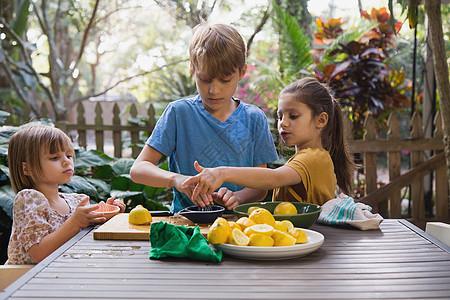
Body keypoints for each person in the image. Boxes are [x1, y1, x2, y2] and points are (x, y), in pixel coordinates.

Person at [130, 22, 278, 212]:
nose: (214, 90)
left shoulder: (255, 118)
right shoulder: (178, 113)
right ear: (193, 70)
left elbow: (261, 184)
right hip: (186, 226)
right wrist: (177, 179)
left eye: (225, 80)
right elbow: (139, 169)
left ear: (242, 72)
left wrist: (238, 197)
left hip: (239, 228)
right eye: (205, 79)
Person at [183, 77, 355, 206]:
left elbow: (273, 178)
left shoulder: (313, 158)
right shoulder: (304, 158)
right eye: (280, 116)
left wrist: (221, 173)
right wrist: (237, 197)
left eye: (293, 116)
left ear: (321, 120)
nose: (283, 123)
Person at [6, 125, 125, 265]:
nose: (67, 161)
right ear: (27, 168)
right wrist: (75, 222)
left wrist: (107, 214)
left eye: (68, 155)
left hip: (63, 275)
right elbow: (39, 254)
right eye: (54, 157)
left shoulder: (76, 200)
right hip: (23, 281)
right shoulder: (29, 200)